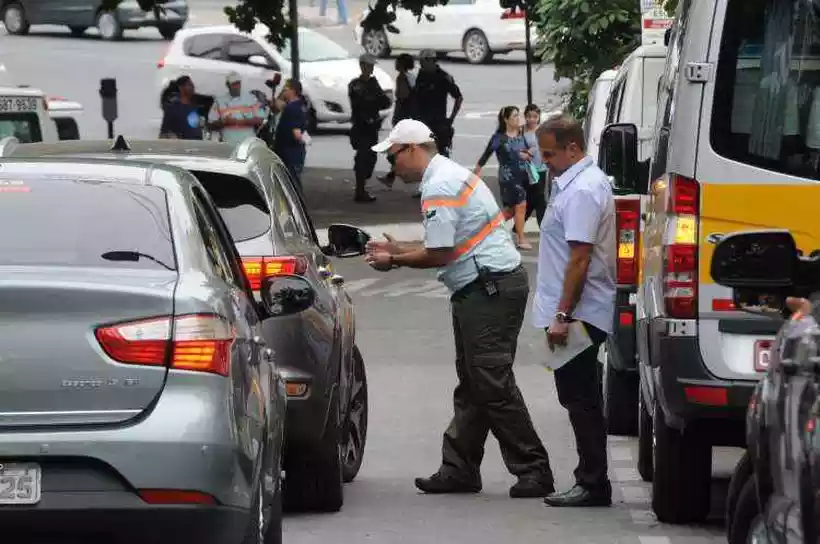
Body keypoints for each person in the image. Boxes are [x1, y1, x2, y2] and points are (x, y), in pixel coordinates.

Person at [365, 119, 555, 499]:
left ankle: (533, 468)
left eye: (392, 155)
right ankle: (459, 468)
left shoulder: (438, 185)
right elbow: (451, 241)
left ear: (412, 149)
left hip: (489, 289)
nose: (391, 164)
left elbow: (440, 253)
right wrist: (400, 249)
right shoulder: (448, 174)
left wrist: (395, 261)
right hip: (487, 286)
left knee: (490, 382)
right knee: (474, 382)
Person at [532, 114, 616, 508]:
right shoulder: (576, 183)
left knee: (579, 397)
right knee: (576, 395)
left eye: (550, 154)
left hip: (578, 312)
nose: (544, 161)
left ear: (573, 148)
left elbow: (579, 259)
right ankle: (591, 478)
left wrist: (563, 316)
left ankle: (593, 482)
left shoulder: (582, 190)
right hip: (574, 309)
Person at [474, 106, 532, 250]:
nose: (518, 119)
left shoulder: (520, 135)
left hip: (522, 175)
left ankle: (484, 230)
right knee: (521, 205)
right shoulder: (499, 138)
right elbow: (486, 155)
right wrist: (477, 172)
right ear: (505, 119)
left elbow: (527, 152)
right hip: (508, 177)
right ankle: (521, 239)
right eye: (514, 116)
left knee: (511, 211)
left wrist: (527, 155)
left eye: (518, 116)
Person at [348, 53, 392, 203]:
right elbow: (363, 102)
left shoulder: (373, 83)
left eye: (372, 66)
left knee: (371, 158)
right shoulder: (355, 85)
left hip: (372, 127)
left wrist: (375, 99)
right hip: (361, 127)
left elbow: (385, 102)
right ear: (362, 66)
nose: (371, 69)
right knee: (362, 158)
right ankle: (360, 190)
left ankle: (362, 188)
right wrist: (374, 99)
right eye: (368, 66)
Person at [415, 49, 463, 159]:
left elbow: (458, 97)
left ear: (431, 61)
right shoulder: (420, 75)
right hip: (421, 122)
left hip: (438, 123)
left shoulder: (443, 77)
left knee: (440, 156)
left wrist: (451, 118)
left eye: (422, 61)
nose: (420, 64)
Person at [380, 53, 419, 188]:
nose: (395, 64)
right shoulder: (411, 77)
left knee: (396, 150)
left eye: (398, 62)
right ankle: (390, 176)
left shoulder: (402, 78)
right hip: (408, 117)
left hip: (403, 117)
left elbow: (403, 97)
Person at [207, 72, 268, 146]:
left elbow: (261, 120)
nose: (237, 86)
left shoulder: (251, 99)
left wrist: (236, 122)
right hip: (228, 145)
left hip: (248, 145)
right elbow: (210, 125)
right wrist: (223, 122)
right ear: (228, 85)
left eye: (238, 83)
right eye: (234, 84)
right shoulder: (219, 101)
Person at [274, 78, 310, 191]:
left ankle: (298, 206)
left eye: (286, 89)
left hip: (289, 152)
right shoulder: (301, 105)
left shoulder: (291, 108)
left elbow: (297, 133)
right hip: (298, 152)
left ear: (293, 91)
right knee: (295, 181)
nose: (284, 91)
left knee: (292, 185)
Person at [522, 103, 548, 224]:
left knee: (539, 199)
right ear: (525, 116)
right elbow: (515, 148)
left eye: (534, 116)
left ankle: (542, 226)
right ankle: (518, 227)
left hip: (541, 169)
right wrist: (525, 153)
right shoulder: (521, 131)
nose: (531, 119)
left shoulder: (542, 130)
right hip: (526, 170)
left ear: (538, 117)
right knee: (532, 200)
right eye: (529, 116)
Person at [159, 75, 203, 140]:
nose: (192, 87)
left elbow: (196, 127)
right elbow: (164, 132)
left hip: (195, 144)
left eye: (192, 85)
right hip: (181, 145)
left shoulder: (194, 107)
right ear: (181, 87)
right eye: (189, 85)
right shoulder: (173, 107)